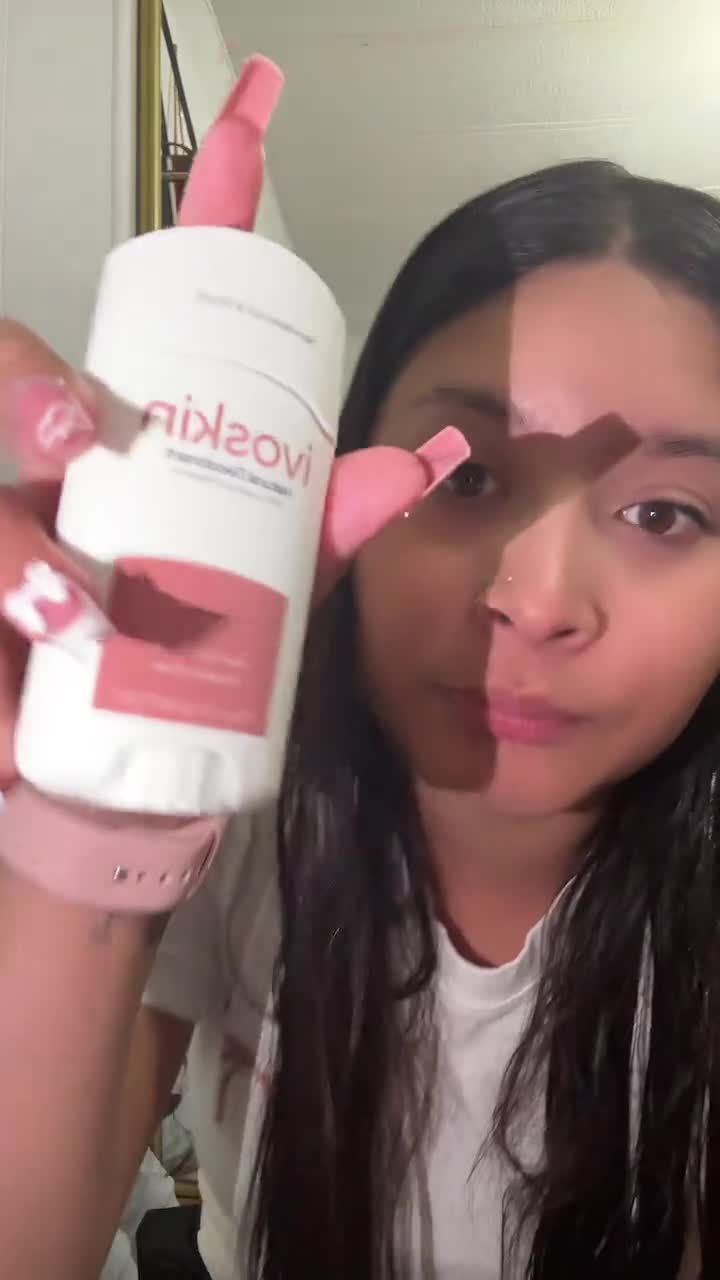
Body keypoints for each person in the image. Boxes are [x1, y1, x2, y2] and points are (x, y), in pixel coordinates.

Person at [0, 158, 717, 1280]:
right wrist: (93, 810)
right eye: (465, 478)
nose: (537, 603)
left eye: (664, 514)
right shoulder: (232, 827)